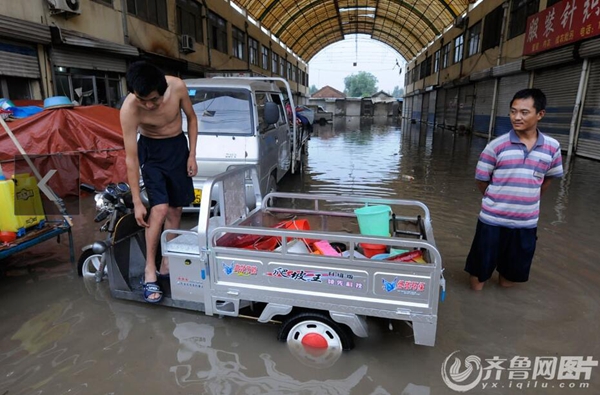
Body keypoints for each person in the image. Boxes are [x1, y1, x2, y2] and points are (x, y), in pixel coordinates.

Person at [465, 88, 563, 291]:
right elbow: (482, 180)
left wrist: (528, 200)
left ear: (540, 114)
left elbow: (547, 180)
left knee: (510, 277)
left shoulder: (552, 148)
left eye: (524, 112)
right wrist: (497, 200)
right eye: (513, 111)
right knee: (478, 276)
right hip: (492, 221)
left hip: (526, 225)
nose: (516, 117)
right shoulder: (496, 146)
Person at [120, 61, 198, 303]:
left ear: (163, 88)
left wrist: (192, 154)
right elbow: (131, 159)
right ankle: (149, 272)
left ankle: (167, 263)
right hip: (151, 154)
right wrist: (136, 201)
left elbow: (192, 119)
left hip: (177, 148)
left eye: (153, 99)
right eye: (142, 100)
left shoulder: (177, 88)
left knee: (176, 210)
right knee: (160, 208)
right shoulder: (130, 110)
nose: (149, 105)